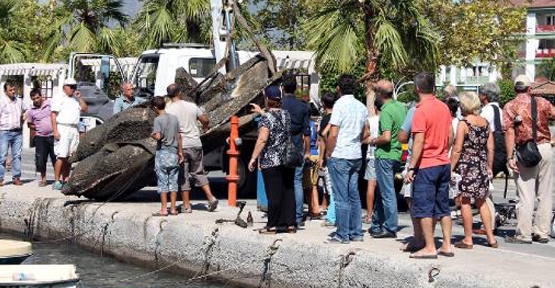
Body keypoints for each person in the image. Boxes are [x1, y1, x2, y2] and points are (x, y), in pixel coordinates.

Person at [405, 72, 453, 259]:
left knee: (424, 206)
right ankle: (447, 245)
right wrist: (442, 150)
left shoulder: (420, 111)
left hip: (427, 164)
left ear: (417, 88)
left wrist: (411, 167)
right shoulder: (443, 107)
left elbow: (418, 141)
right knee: (443, 206)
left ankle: (430, 246)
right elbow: (451, 136)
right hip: (443, 162)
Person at [503, 75, 555, 244]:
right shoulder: (542, 102)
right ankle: (542, 232)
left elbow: (509, 132)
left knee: (526, 193)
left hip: (525, 151)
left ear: (514, 89)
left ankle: (524, 234)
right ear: (529, 88)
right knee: (545, 193)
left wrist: (510, 156)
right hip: (546, 148)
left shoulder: (510, 106)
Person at [450, 92, 498, 249]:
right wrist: (489, 167)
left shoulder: (464, 124)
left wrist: (450, 168)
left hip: (467, 166)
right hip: (481, 165)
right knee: (481, 201)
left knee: (465, 201)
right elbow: (491, 148)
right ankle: (491, 238)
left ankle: (468, 239)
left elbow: (457, 150)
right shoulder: (485, 123)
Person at [325, 74, 368, 244]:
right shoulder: (361, 106)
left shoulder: (339, 105)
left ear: (339, 88)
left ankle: (342, 234)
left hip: (340, 154)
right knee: (354, 195)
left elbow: (333, 133)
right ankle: (356, 232)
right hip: (356, 155)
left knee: (341, 196)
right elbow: (366, 132)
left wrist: (328, 152)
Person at [248, 86, 296, 234]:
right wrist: (261, 112)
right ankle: (290, 224)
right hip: (287, 160)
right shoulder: (286, 114)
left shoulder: (265, 118)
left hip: (272, 160)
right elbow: (276, 120)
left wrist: (253, 158)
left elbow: (262, 139)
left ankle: (273, 225)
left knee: (273, 194)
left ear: (267, 100)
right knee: (288, 191)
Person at [165, 84, 218, 213]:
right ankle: (211, 198)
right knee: (199, 172)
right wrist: (205, 127)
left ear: (169, 95)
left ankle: (186, 205)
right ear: (179, 93)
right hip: (195, 143)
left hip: (181, 146)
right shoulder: (191, 106)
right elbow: (205, 119)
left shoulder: (169, 109)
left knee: (184, 176)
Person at [368, 80, 406, 239]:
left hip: (385, 155)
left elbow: (386, 137)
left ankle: (390, 226)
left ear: (380, 94)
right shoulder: (401, 107)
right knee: (382, 191)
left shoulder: (386, 111)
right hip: (397, 154)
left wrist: (373, 140)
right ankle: (377, 223)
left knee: (387, 192)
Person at [281, 75, 311, 226]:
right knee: (297, 182)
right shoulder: (303, 106)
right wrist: (307, 151)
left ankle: (284, 215)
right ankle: (298, 217)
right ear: (296, 88)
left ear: (283, 88)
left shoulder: (279, 104)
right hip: (298, 148)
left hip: (280, 148)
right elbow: (307, 132)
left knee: (282, 182)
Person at [51, 78, 88, 190]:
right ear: (65, 87)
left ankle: (65, 179)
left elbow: (85, 109)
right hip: (63, 127)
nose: (73, 89)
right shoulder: (59, 98)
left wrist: (80, 97)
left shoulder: (75, 100)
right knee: (61, 155)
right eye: (71, 86)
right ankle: (56, 180)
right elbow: (53, 115)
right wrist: (55, 131)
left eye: (74, 87)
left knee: (69, 157)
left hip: (73, 128)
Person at [397, 104, 424, 252]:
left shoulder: (415, 110)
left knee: (411, 197)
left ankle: (419, 237)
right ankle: (432, 238)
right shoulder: (442, 108)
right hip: (436, 159)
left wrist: (411, 167)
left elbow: (402, 136)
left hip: (416, 159)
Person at [151, 96, 183, 217]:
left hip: (163, 153)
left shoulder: (158, 120)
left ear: (155, 107)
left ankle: (164, 209)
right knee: (173, 182)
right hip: (174, 153)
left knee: (162, 181)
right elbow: (179, 136)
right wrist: (180, 152)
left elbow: (158, 137)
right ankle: (173, 208)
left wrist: (152, 135)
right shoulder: (174, 118)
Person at [25, 89, 55, 187]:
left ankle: (58, 179)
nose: (36, 100)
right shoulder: (30, 111)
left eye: (37, 97)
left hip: (53, 135)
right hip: (40, 137)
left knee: (56, 158)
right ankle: (43, 179)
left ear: (41, 96)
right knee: (41, 159)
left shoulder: (50, 104)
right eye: (34, 99)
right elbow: (29, 124)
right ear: (31, 99)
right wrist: (37, 127)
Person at [0, 81, 27, 186]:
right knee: (2, 156)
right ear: (5, 91)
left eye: (14, 89)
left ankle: (16, 177)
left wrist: (24, 118)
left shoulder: (19, 101)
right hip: (4, 132)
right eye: (10, 90)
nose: (13, 92)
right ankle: (0, 178)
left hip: (17, 132)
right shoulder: (1, 102)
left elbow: (27, 110)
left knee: (17, 155)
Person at [318, 92, 338, 227]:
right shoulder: (339, 117)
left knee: (331, 189)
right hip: (342, 154)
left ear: (323, 104)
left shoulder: (325, 120)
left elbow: (323, 140)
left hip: (330, 156)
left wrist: (321, 157)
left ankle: (332, 217)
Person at [362, 100, 381, 224]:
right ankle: (381, 214)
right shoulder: (388, 119)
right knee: (384, 188)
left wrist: (370, 139)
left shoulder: (370, 120)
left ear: (375, 107)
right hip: (385, 155)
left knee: (371, 186)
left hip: (372, 155)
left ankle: (369, 215)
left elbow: (364, 139)